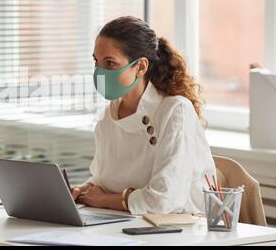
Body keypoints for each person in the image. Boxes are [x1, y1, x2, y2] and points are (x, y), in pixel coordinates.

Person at [72, 16, 216, 215]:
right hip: (128, 223)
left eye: (110, 63)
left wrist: (105, 199)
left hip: (182, 230)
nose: (100, 72)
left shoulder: (175, 111)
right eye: (97, 62)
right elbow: (104, 179)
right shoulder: (108, 117)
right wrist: (84, 190)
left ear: (140, 66)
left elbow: (164, 200)